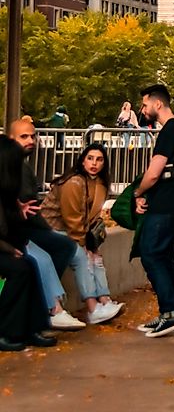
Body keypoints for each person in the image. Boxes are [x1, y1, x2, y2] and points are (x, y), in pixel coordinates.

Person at [131, 84, 174, 337]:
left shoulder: (170, 131)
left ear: (158, 104)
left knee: (151, 254)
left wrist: (138, 192)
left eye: (145, 104)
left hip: (165, 204)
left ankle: (170, 312)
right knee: (164, 256)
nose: (142, 109)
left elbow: (154, 171)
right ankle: (167, 312)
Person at [8, 118, 83, 331]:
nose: (30, 140)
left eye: (33, 136)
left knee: (64, 246)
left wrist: (48, 230)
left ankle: (47, 304)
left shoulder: (25, 169)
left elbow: (31, 209)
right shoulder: (7, 166)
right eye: (23, 137)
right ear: (10, 139)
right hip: (12, 232)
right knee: (44, 256)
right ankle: (52, 308)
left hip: (25, 228)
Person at [40, 143, 125, 325]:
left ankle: (104, 300)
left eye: (99, 159)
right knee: (82, 256)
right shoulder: (74, 181)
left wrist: (92, 244)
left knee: (96, 258)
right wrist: (82, 243)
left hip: (74, 230)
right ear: (83, 160)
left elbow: (91, 217)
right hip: (52, 228)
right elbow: (72, 218)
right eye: (90, 158)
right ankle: (92, 307)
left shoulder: (100, 184)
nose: (94, 163)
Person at [0, 136, 57, 352]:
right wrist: (9, 250)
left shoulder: (6, 192)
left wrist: (19, 212)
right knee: (20, 269)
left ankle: (31, 327)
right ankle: (6, 329)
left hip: (5, 245)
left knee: (29, 266)